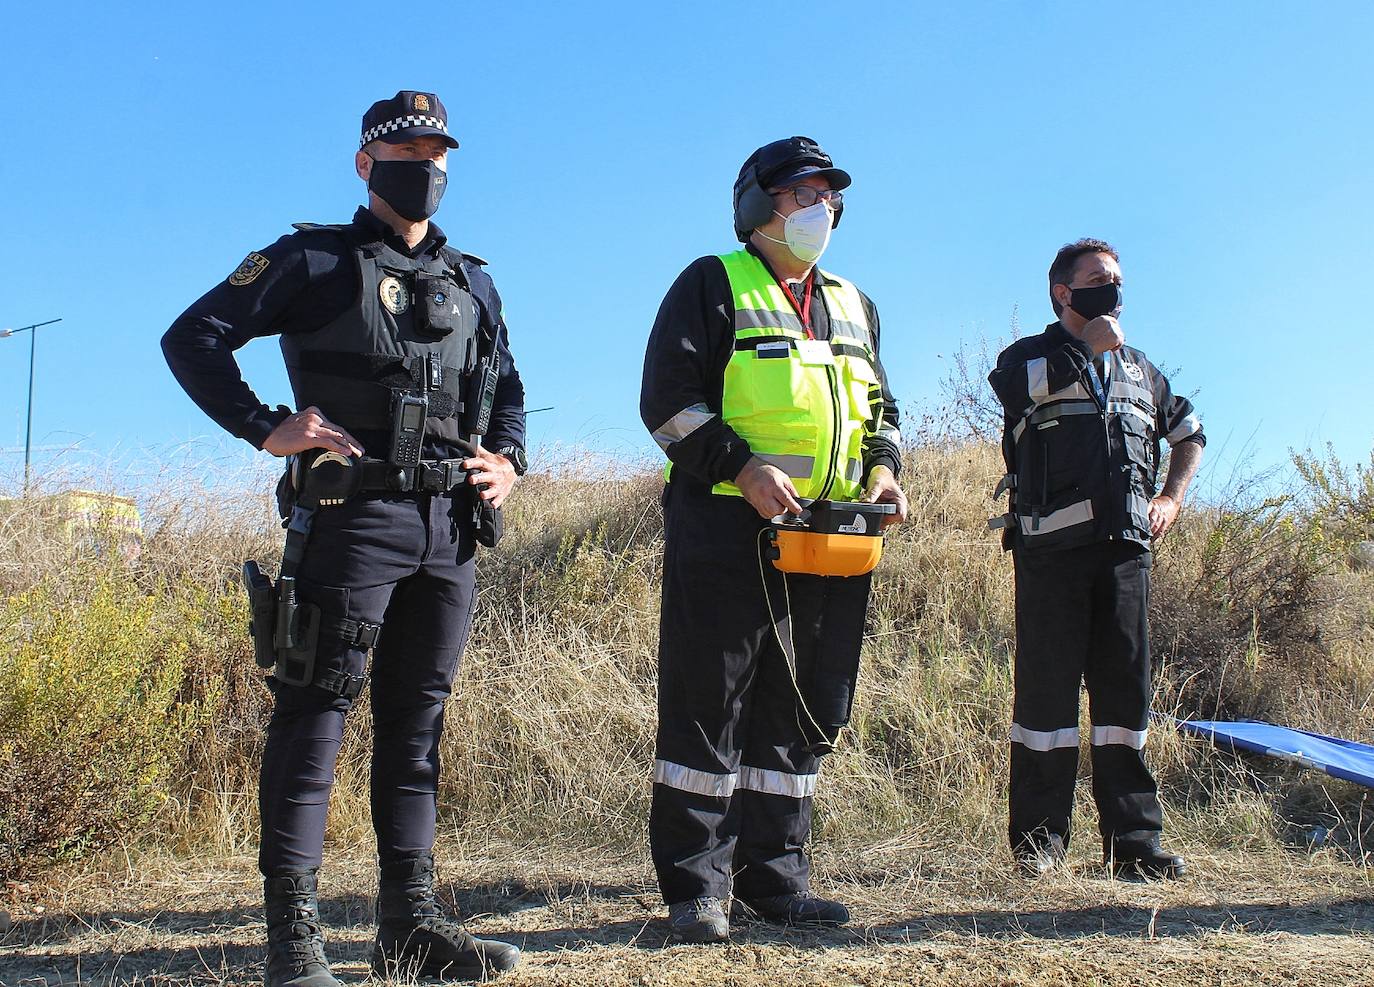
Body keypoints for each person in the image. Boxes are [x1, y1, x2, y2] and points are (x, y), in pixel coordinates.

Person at [162, 91, 528, 984]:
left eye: (440, 151)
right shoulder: (312, 259)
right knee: (315, 712)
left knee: (417, 725)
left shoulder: (474, 279)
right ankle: (294, 943)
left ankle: (410, 926)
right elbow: (193, 337)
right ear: (366, 164)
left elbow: (507, 385)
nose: (427, 165)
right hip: (348, 520)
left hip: (449, 530)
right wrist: (264, 425)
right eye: (407, 149)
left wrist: (509, 460)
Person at [639, 136, 907, 942]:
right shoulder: (711, 283)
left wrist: (886, 472)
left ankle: (775, 880)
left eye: (828, 195)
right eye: (801, 195)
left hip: (831, 536)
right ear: (758, 205)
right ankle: (698, 888)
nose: (819, 210)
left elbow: (884, 412)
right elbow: (668, 404)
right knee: (708, 703)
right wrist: (743, 467)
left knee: (801, 706)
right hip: (726, 526)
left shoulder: (857, 303)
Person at [987, 238, 1204, 879]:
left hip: (1126, 558)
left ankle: (1134, 846)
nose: (1113, 288)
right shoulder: (1028, 357)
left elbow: (1189, 431)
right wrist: (1088, 347)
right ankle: (1038, 850)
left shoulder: (1142, 369)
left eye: (1117, 279)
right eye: (1098, 279)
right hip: (1051, 556)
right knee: (1045, 705)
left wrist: (1171, 497)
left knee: (1123, 704)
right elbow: (1014, 395)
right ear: (1063, 293)